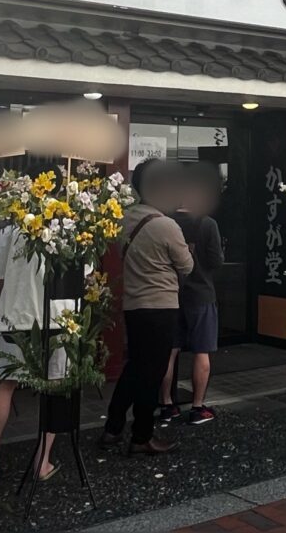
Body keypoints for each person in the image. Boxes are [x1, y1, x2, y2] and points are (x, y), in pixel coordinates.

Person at [100, 159, 193, 455]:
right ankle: (141, 436)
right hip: (161, 307)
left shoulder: (124, 220)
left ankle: (113, 427)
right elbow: (187, 265)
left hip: (134, 305)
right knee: (152, 373)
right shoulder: (166, 225)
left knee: (134, 367)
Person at [0, 224, 71, 484]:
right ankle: (42, 461)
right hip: (60, 317)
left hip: (16, 316)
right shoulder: (69, 227)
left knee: (4, 384)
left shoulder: (11, 230)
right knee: (56, 385)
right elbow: (82, 274)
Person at [158, 162, 224, 425]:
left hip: (171, 294)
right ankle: (197, 407)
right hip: (201, 294)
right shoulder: (208, 224)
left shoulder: (166, 222)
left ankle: (167, 404)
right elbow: (216, 261)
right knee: (201, 351)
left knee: (169, 351)